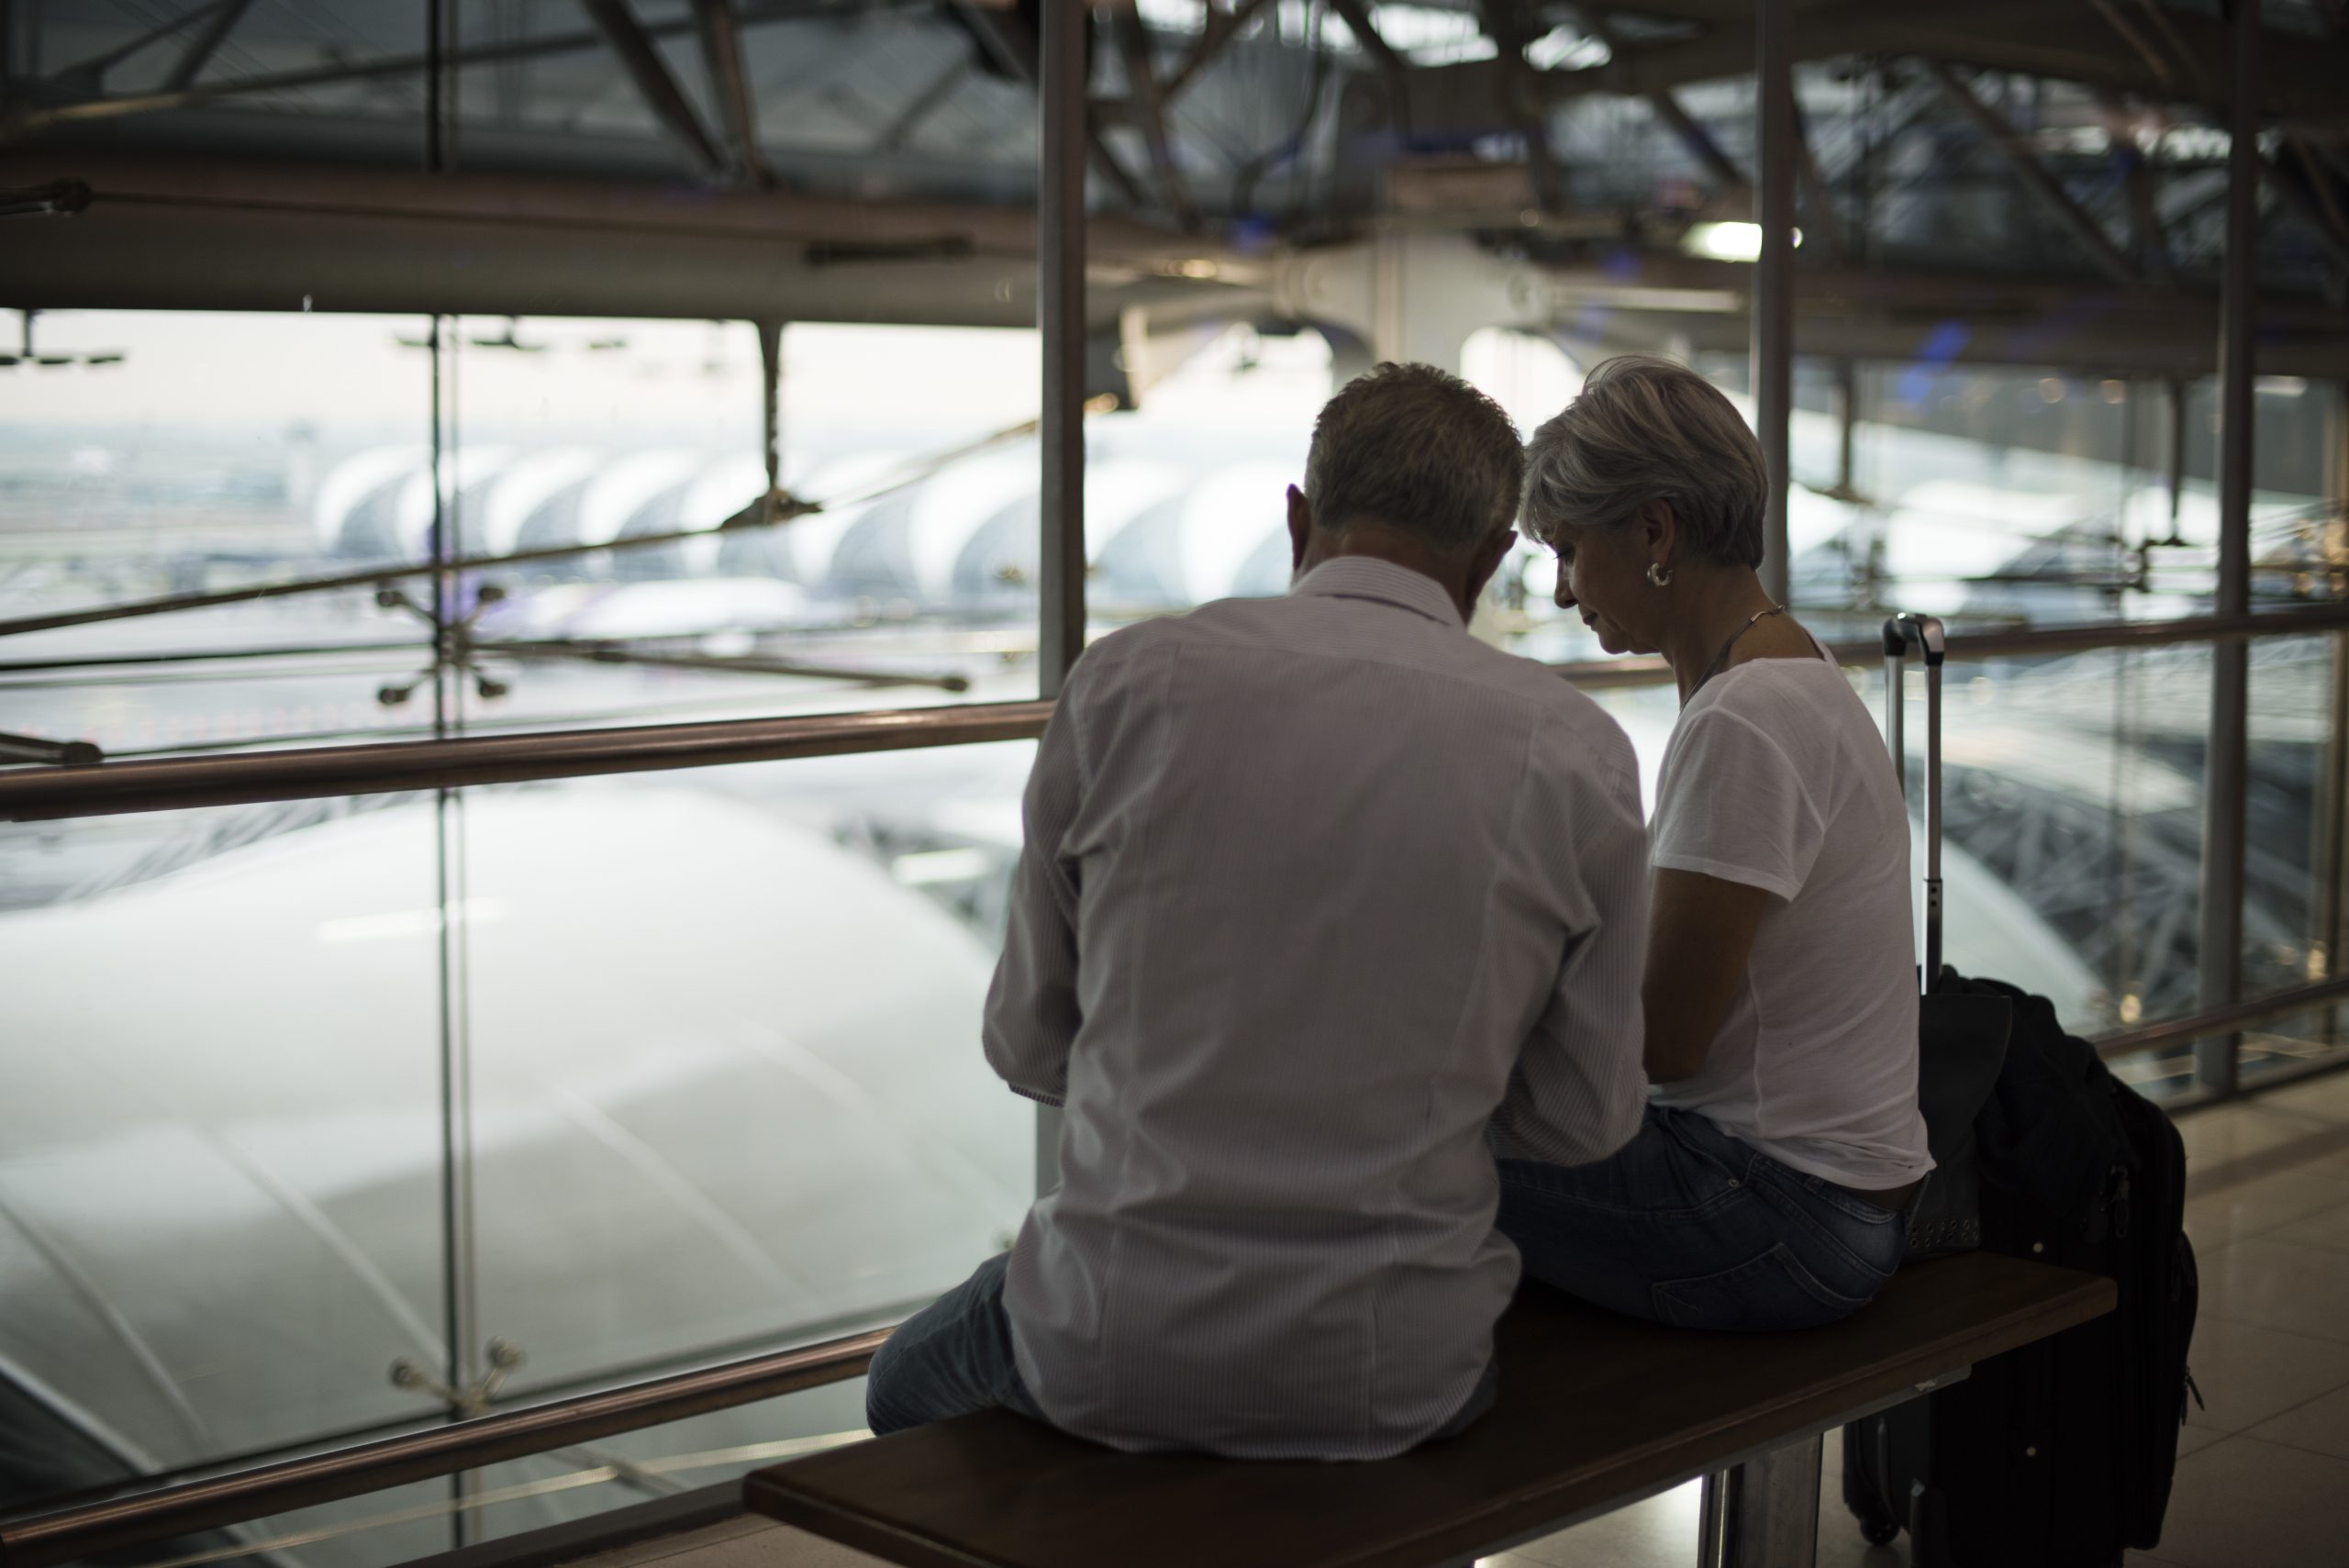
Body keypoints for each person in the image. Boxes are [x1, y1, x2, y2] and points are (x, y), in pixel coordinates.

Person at [864, 363, 1652, 1458]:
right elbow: (1584, 1120)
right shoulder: (1573, 749)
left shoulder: (1127, 682)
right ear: (1488, 556)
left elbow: (1031, 1045)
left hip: (1105, 1341)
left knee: (899, 1388)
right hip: (1393, 1370)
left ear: (1298, 517)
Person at [1494, 354, 1932, 1332]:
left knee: (1389, 1131)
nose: (1563, 592)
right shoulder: (1795, 664)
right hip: (1840, 1194)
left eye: (1567, 551)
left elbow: (1663, 1041)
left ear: (1653, 528)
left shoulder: (1749, 714)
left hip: (1778, 1210)